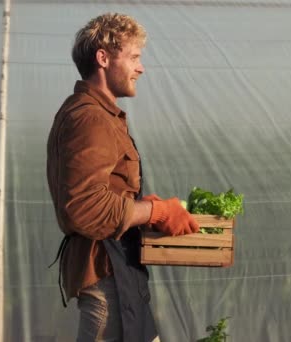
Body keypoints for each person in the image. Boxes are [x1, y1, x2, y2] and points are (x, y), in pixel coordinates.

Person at [46, 12, 199, 342]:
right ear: (103, 58)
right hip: (106, 279)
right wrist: (156, 212)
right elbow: (85, 207)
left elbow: (102, 192)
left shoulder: (94, 113)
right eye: (133, 57)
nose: (140, 68)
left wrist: (142, 205)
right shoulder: (90, 118)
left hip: (119, 276)